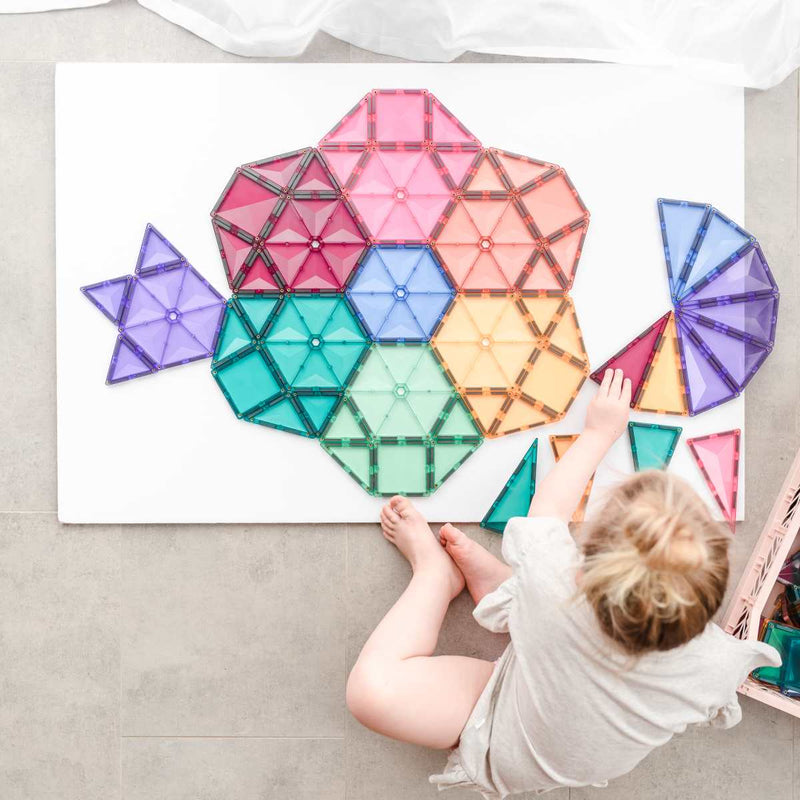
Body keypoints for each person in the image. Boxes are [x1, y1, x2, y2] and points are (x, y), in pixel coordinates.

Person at [345, 368, 781, 798]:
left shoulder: (554, 586)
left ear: (581, 572)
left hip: (503, 737)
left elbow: (547, 513)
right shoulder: (718, 662)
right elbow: (719, 703)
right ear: (708, 600)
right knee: (538, 590)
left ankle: (434, 575)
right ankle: (502, 591)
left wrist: (598, 433)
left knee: (370, 693)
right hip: (573, 745)